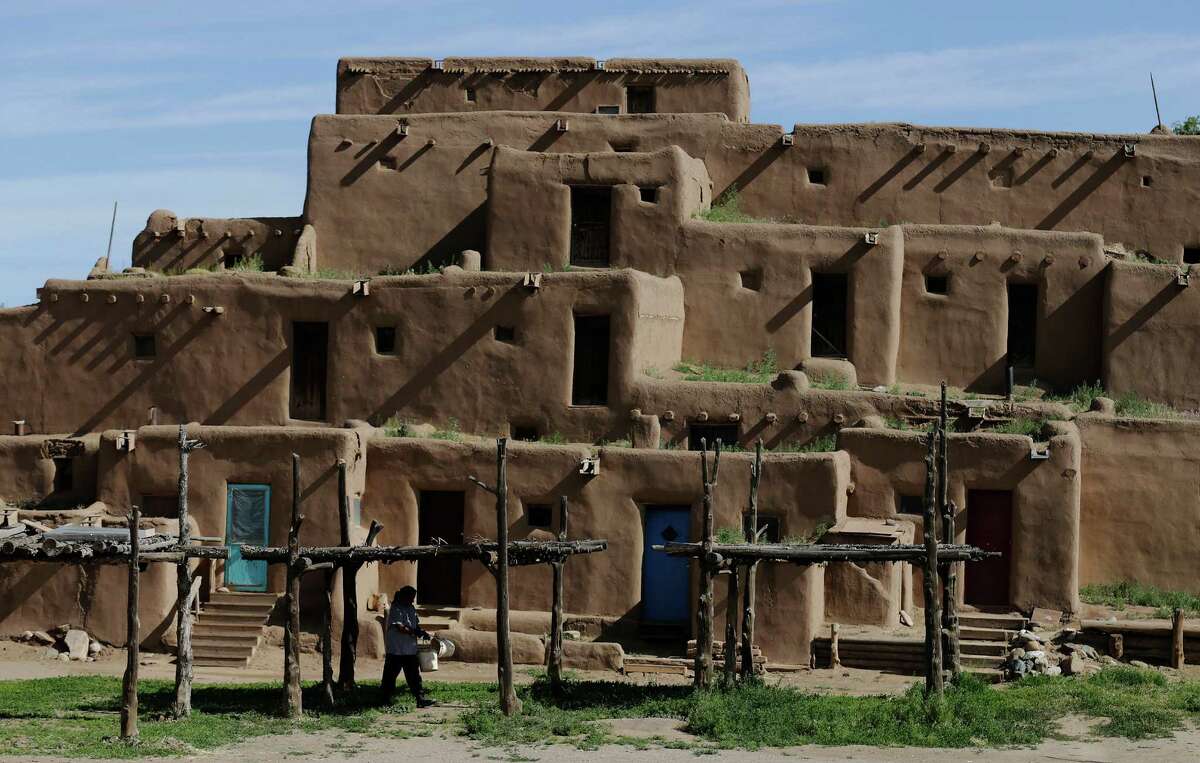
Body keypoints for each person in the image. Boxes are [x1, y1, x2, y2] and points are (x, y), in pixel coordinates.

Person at [382, 585, 435, 707]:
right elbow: (400, 627)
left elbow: (415, 625)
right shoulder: (396, 608)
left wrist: (421, 632)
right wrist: (416, 632)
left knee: (414, 677)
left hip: (410, 649)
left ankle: (420, 699)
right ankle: (385, 699)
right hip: (396, 649)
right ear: (404, 596)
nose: (412, 600)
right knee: (390, 676)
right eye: (411, 597)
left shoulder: (411, 608)